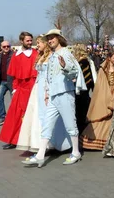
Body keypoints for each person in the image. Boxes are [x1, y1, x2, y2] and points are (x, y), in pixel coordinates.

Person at [23, 29, 82, 167]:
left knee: (70, 124)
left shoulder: (66, 53)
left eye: (52, 38)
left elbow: (75, 73)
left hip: (65, 93)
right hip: (54, 96)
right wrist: (47, 93)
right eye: (48, 38)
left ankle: (75, 152)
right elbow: (49, 78)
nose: (50, 40)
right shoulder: (53, 55)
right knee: (47, 124)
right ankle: (40, 155)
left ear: (59, 39)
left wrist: (65, 66)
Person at [16, 35, 71, 153]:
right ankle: (40, 144)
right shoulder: (40, 56)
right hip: (38, 88)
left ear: (45, 44)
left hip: (46, 88)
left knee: (47, 114)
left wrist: (48, 91)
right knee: (37, 114)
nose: (37, 45)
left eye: (39, 43)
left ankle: (52, 143)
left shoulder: (51, 56)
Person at [0, 32, 38, 150]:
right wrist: (14, 88)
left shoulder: (36, 54)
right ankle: (12, 140)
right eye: (28, 40)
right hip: (20, 89)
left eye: (31, 40)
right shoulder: (16, 55)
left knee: (32, 115)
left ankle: (32, 140)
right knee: (15, 115)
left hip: (33, 88)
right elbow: (13, 75)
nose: (30, 42)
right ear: (21, 41)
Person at [80, 46, 114, 151]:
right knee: (102, 117)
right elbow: (100, 85)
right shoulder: (103, 69)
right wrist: (108, 96)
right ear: (109, 58)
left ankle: (110, 141)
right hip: (105, 95)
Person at [72, 44, 96, 134]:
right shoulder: (88, 61)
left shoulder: (83, 62)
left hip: (81, 92)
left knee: (80, 115)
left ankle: (81, 135)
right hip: (84, 92)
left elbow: (85, 79)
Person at [0, 41, 14, 126]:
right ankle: (2, 116)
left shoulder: (14, 55)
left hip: (12, 81)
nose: (6, 48)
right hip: (2, 81)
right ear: (1, 47)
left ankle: (14, 118)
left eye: (8, 46)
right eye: (4, 46)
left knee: (14, 101)